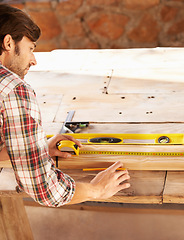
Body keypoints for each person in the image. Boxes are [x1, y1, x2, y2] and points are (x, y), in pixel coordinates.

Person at [0, 4, 130, 207]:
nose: (33, 60)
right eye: (30, 48)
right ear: (8, 42)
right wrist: (96, 189)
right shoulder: (13, 90)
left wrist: (36, 149)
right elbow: (44, 188)